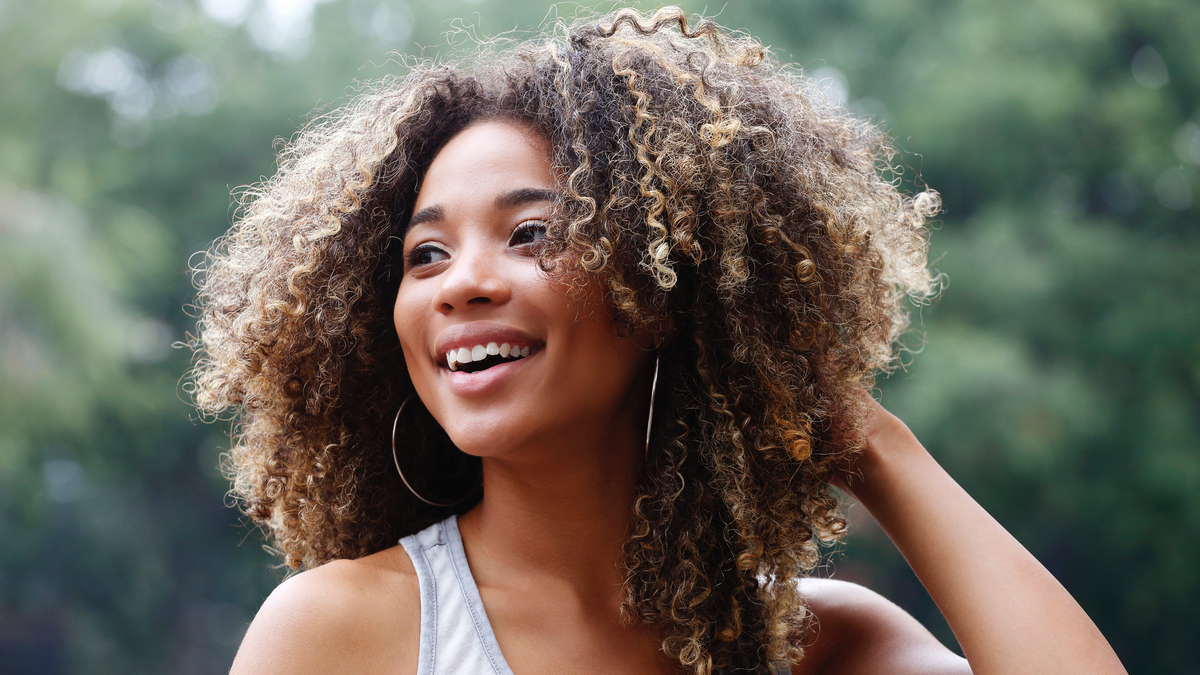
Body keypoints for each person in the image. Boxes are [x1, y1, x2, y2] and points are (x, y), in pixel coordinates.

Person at [189, 8, 1127, 675]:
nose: (463, 281)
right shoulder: (344, 631)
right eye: (424, 254)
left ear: (660, 287)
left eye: (531, 234)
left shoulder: (808, 644)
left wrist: (877, 449)